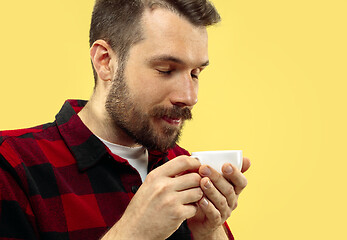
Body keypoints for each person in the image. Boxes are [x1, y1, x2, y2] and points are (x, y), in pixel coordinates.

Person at [0, 0, 250, 239]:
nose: (189, 96)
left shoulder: (185, 166)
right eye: (166, 70)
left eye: (195, 73)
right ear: (105, 61)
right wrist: (134, 233)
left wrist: (208, 232)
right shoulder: (12, 163)